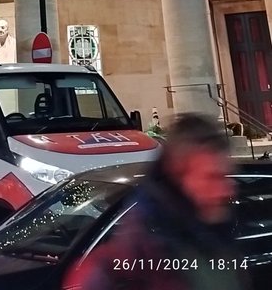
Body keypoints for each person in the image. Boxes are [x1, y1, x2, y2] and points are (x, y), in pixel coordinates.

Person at [76, 114, 248, 289]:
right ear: (179, 177)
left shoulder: (216, 238)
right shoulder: (133, 258)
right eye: (212, 178)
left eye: (227, 176)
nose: (227, 190)